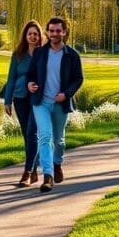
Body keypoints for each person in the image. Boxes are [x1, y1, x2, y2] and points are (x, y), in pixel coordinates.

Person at [27, 17, 84, 192]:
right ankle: (48, 176)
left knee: (59, 141)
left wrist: (66, 94)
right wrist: (30, 84)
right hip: (41, 102)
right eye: (51, 31)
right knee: (45, 137)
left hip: (60, 104)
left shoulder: (72, 55)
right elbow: (31, 74)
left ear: (64, 32)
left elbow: (78, 79)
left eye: (58, 31)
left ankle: (57, 163)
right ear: (48, 32)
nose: (54, 34)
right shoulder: (39, 53)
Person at [4, 20, 42, 187]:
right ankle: (33, 169)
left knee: (33, 132)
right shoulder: (18, 55)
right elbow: (11, 78)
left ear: (40, 36)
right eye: (30, 34)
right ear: (25, 36)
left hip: (38, 98)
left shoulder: (44, 54)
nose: (32, 36)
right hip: (20, 97)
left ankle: (26, 173)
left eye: (35, 33)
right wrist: (7, 100)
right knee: (27, 134)